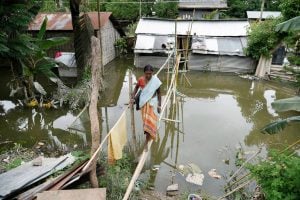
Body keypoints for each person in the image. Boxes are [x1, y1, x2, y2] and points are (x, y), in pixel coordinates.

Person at [131, 64, 162, 144]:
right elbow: (136, 88)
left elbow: (159, 94)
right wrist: (132, 97)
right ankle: (147, 135)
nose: (148, 75)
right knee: (145, 122)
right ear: (144, 73)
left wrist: (159, 105)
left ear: (152, 73)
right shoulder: (141, 80)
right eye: (146, 73)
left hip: (152, 103)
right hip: (143, 104)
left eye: (150, 73)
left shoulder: (155, 81)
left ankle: (148, 138)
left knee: (151, 121)